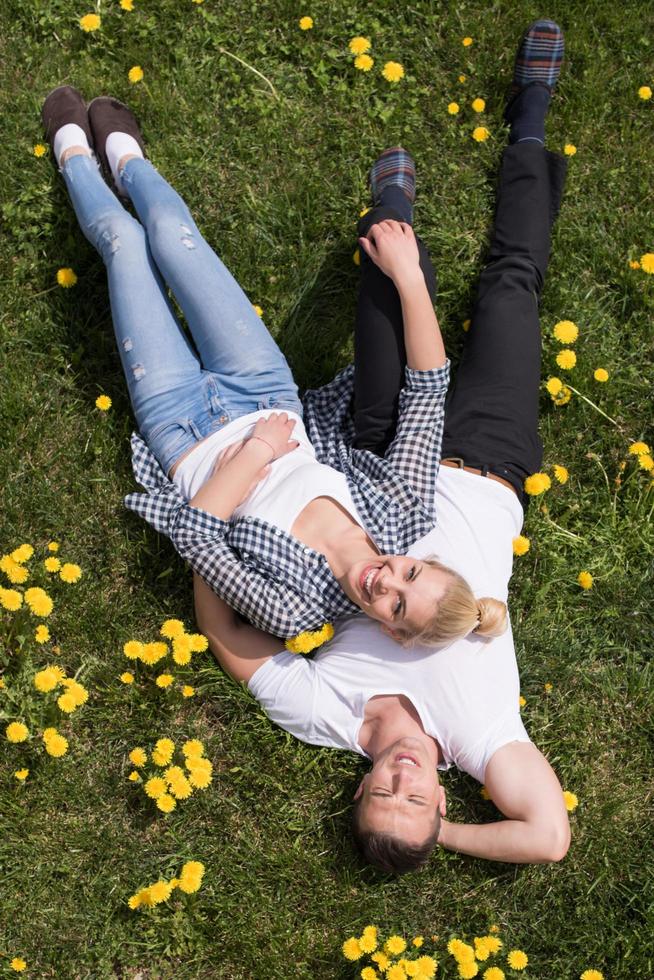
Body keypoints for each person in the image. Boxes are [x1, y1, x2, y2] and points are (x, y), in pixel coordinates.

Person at [193, 19, 572, 873]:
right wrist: (443, 836)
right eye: (419, 801)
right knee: (513, 287)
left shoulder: (339, 718)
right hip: (490, 458)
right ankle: (533, 116)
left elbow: (232, 643)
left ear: (360, 790)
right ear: (443, 798)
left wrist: (205, 546)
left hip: (384, 444)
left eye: (383, 795)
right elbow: (548, 836)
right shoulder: (481, 738)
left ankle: (393, 212)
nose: (403, 780)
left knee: (387, 289)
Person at [41, 86, 505, 651]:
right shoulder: (401, 511)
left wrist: (258, 452)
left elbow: (195, 538)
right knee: (171, 237)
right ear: (419, 558)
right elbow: (427, 395)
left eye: (397, 606)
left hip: (180, 430)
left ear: (390, 630)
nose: (385, 580)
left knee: (125, 244)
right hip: (261, 387)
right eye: (409, 573)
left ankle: (72, 156)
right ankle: (127, 160)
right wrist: (408, 276)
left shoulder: (298, 609)